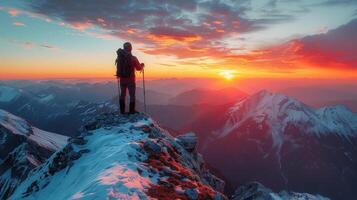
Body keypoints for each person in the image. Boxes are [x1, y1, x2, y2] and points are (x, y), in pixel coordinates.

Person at [115, 42, 144, 114]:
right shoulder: (133, 58)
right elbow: (138, 68)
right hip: (131, 80)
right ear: (131, 48)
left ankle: (122, 111)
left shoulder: (119, 58)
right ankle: (131, 111)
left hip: (122, 79)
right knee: (132, 95)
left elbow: (118, 67)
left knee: (122, 94)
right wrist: (142, 66)